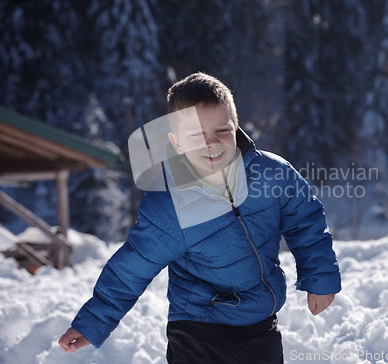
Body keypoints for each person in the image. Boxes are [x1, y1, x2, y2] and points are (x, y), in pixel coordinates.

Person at [58, 72, 341, 363]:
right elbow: (132, 267)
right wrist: (91, 322)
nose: (212, 143)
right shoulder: (169, 203)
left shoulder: (271, 173)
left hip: (259, 321)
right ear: (177, 142)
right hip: (197, 328)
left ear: (236, 126)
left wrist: (319, 277)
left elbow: (306, 220)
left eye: (222, 130)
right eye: (196, 136)